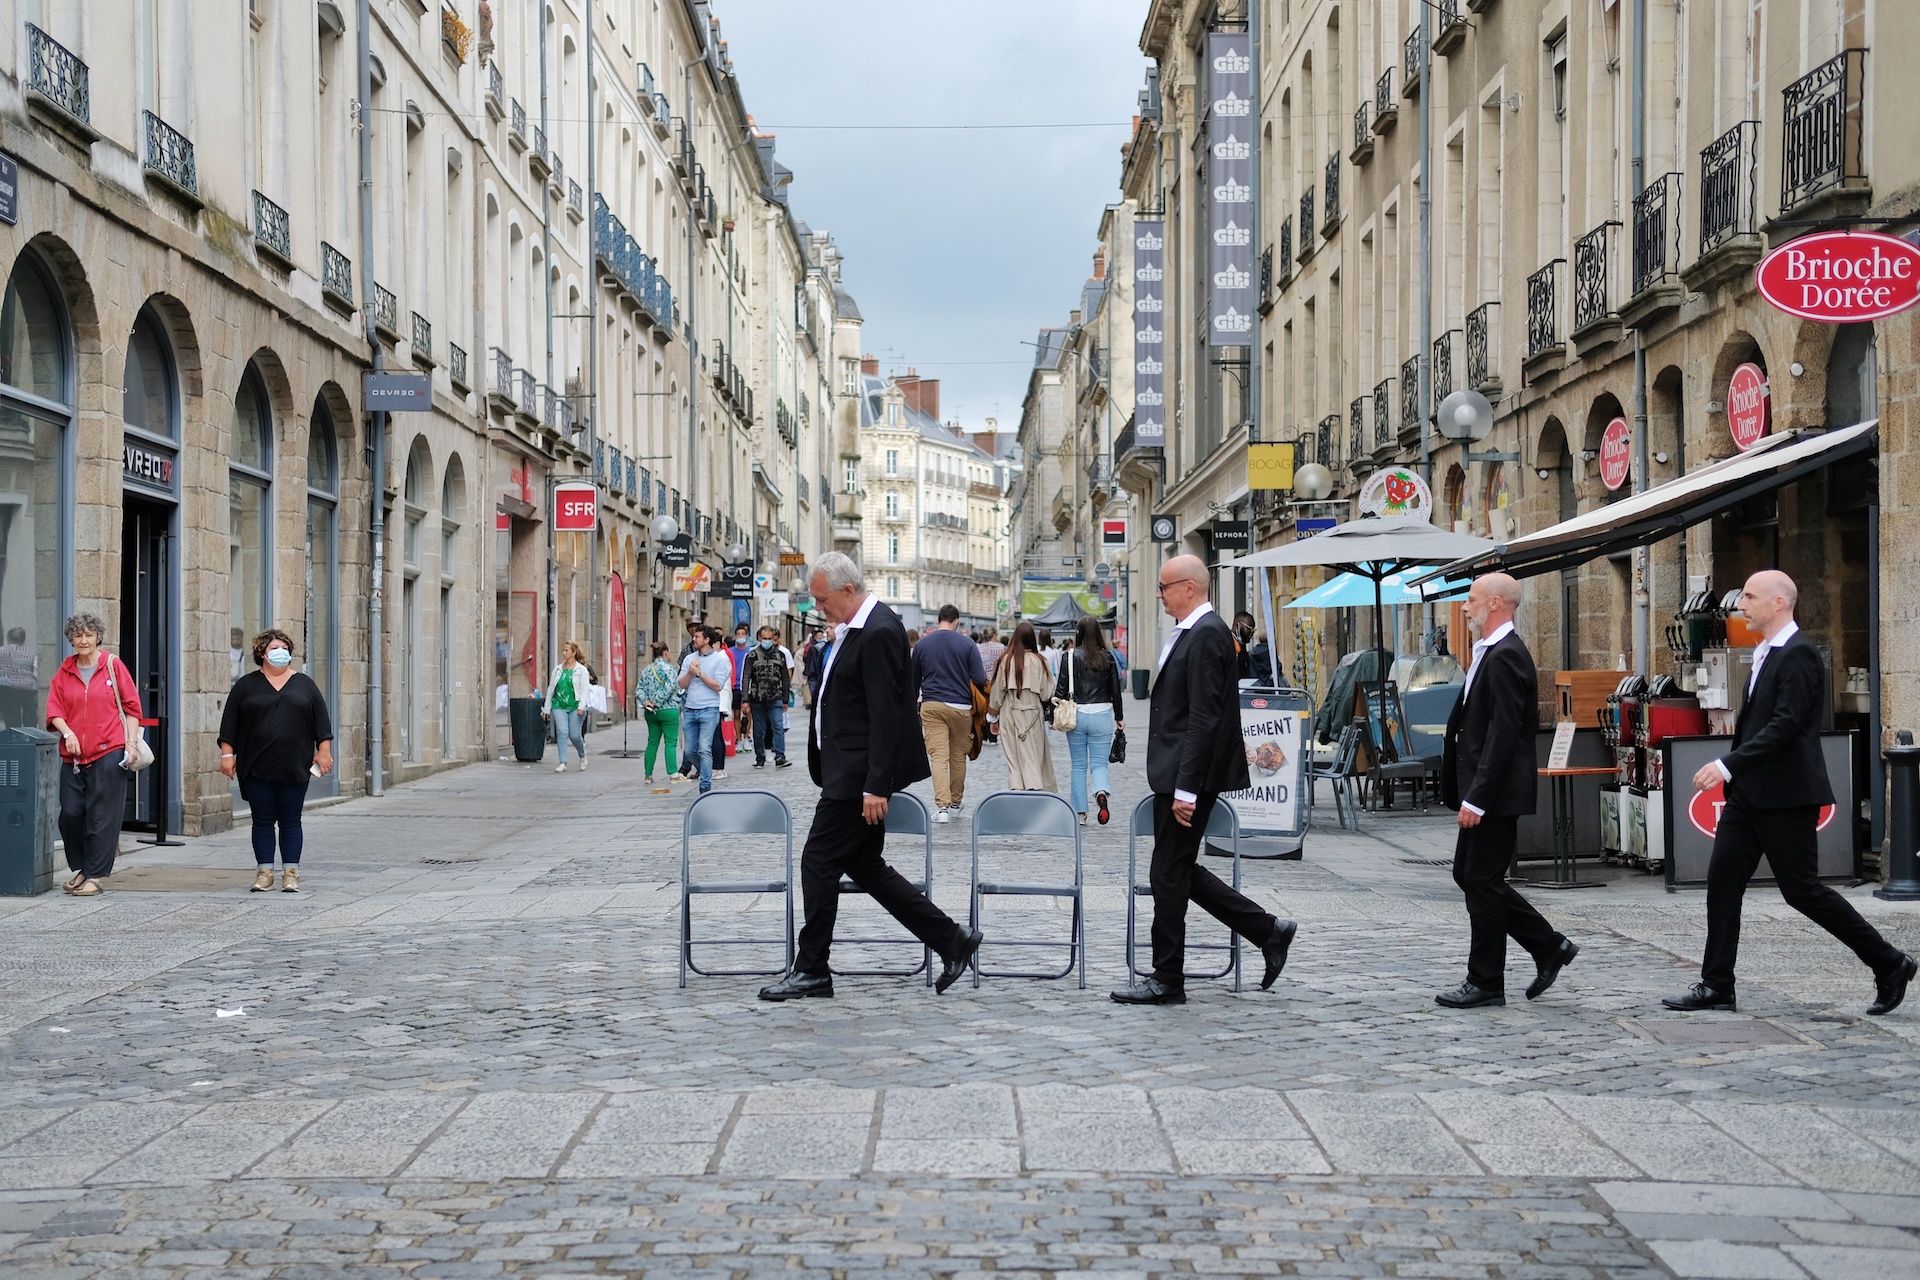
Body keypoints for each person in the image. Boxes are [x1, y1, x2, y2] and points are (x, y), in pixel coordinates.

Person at [1668, 570, 1914, 1016]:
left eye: (1749, 596)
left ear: (1778, 603)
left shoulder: (1799, 654)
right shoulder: (1765, 651)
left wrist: (1727, 764)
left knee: (1803, 892)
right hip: (1748, 795)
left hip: (1786, 796)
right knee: (1723, 883)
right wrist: (1737, 772)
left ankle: (1890, 962)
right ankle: (1717, 985)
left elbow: (1785, 725)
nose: (1740, 604)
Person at [759, 552, 983, 1001]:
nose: (819, 608)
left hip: (858, 777)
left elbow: (887, 713)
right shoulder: (858, 627)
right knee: (865, 866)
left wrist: (876, 785)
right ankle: (952, 938)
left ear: (847, 590)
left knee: (817, 862)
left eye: (823, 600)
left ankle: (812, 969)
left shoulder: (879, 629)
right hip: (848, 772)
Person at [1113, 555, 1297, 1006]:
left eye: (1164, 587)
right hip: (1179, 773)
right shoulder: (1194, 632)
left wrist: (1186, 789)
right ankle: (1267, 931)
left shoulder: (1208, 634)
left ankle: (1168, 978)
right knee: (1174, 871)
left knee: (1167, 873)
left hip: (1188, 777)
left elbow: (1203, 718)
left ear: (1190, 587)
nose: (1159, 594)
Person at [1436, 573, 1579, 1009]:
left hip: (1494, 794)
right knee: (1469, 875)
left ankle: (1486, 981)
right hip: (1485, 790)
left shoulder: (1507, 655)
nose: (1465, 607)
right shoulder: (1489, 652)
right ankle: (1547, 945)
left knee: (1481, 879)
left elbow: (1503, 734)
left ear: (1495, 603)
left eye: (1471, 599)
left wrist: (1477, 798)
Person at [218, 628, 335, 893]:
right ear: (262, 653)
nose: (280, 652)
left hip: (294, 766)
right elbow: (229, 724)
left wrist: (324, 751)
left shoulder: (305, 684)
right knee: (262, 820)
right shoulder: (246, 685)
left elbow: (321, 722)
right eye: (274, 648)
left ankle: (291, 873)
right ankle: (265, 873)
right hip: (255, 766)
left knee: (291, 820)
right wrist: (227, 754)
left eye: (284, 648)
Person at [45, 613, 141, 897]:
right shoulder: (65, 671)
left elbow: (132, 709)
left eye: (89, 635)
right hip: (73, 756)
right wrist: (68, 733)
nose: (84, 640)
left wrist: (130, 745)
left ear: (98, 637)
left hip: (109, 750)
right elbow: (54, 710)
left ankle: (95, 875)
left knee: (101, 816)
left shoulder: (112, 665)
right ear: (71, 639)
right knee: (71, 813)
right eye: (78, 635)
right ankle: (84, 867)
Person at [913, 603, 988, 823]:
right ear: (956, 621)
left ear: (938, 621)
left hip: (932, 704)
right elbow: (980, 678)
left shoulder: (922, 644)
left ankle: (942, 808)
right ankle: (955, 804)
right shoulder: (967, 643)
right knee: (957, 757)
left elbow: (913, 679)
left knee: (938, 757)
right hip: (961, 706)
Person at [1062, 617, 1125, 825]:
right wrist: (1119, 717)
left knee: (1078, 766)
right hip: (1102, 713)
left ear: (1078, 633)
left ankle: (1080, 813)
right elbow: (1116, 690)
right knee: (1099, 764)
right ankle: (1101, 792)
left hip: (1077, 714)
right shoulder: (1108, 657)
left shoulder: (1069, 657)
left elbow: (1061, 688)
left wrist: (1052, 716)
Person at [988, 621, 1055, 792]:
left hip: (1009, 712)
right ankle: (1035, 789)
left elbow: (997, 693)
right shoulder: (1040, 661)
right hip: (1033, 713)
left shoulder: (1005, 660)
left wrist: (993, 716)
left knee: (1013, 759)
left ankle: (1016, 789)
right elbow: (1046, 694)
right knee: (1033, 756)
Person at [677, 625, 731, 793]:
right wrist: (690, 672)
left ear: (707, 640)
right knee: (690, 751)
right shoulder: (689, 659)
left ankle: (705, 786)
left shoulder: (719, 660)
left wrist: (699, 674)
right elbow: (681, 684)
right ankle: (705, 770)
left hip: (709, 709)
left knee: (704, 748)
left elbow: (718, 685)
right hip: (690, 709)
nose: (694, 639)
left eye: (697, 637)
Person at [743, 625, 793, 769]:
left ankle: (780, 756)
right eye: (764, 638)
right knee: (759, 730)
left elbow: (785, 678)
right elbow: (746, 677)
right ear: (759, 638)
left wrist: (785, 699)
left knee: (778, 726)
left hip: (775, 697)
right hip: (757, 698)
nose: (767, 641)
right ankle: (760, 757)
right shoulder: (751, 656)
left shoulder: (780, 655)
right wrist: (745, 700)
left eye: (769, 638)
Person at [637, 640, 682, 788]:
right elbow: (669, 688)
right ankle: (673, 773)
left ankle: (648, 774)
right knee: (670, 743)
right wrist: (657, 701)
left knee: (652, 742)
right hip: (668, 709)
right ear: (665, 652)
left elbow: (639, 689)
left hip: (651, 712)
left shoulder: (647, 670)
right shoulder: (670, 669)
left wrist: (647, 702)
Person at [543, 641, 593, 773]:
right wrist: (546, 708)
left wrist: (582, 706)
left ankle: (582, 754)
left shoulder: (581, 670)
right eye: (563, 650)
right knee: (562, 732)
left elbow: (584, 690)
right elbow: (551, 689)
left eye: (566, 650)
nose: (563, 653)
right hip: (559, 705)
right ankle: (562, 762)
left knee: (575, 735)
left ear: (574, 653)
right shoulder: (557, 670)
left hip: (575, 706)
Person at [0, 625, 39, 730]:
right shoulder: (32, 653)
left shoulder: (1, 651)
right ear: (23, 639)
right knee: (30, 713)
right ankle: (30, 733)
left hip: (6, 688)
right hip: (28, 688)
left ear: (8, 638)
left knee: (11, 715)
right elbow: (35, 672)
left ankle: (14, 735)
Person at [1231, 611, 1257, 680]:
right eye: (1249, 628)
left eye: (1253, 629)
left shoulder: (1242, 647)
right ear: (1238, 625)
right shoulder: (1227, 644)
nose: (1252, 632)